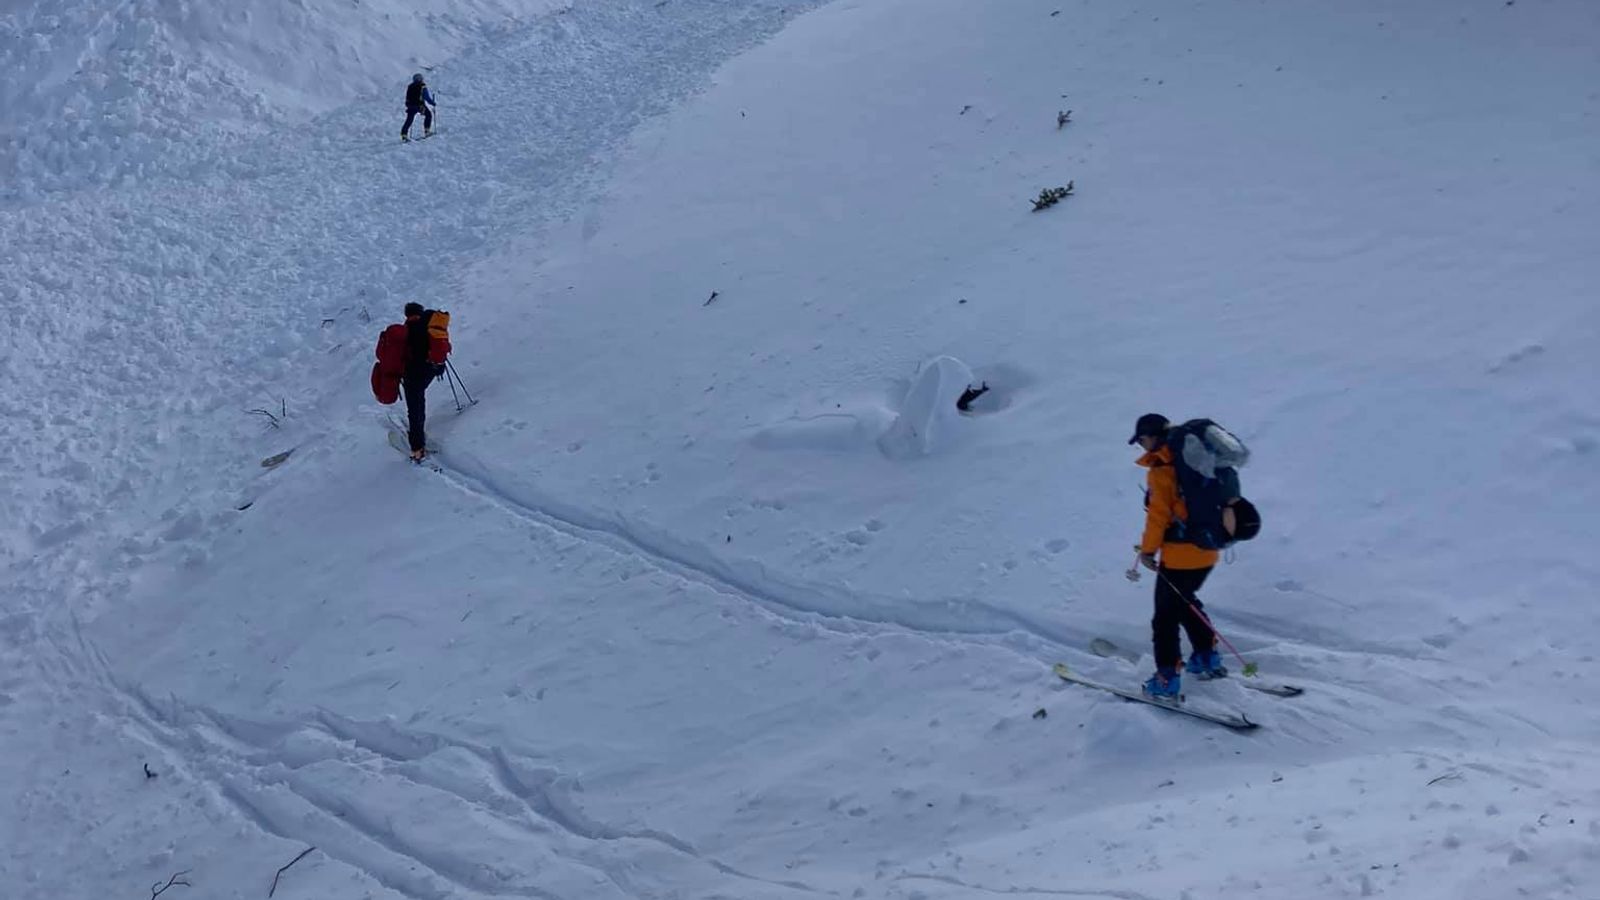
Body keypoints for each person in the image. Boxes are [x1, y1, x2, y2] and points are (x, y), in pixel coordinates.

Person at [1128, 413, 1227, 699]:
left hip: (1180, 555)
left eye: (1142, 439)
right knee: (1185, 603)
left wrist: (1147, 552)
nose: (1141, 446)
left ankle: (1166, 678)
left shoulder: (1162, 468)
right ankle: (1206, 657)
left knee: (1164, 619)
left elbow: (1158, 517)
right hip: (1208, 550)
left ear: (1153, 435)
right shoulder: (1197, 461)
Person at [401, 302, 449, 460]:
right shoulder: (428, 327)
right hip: (430, 372)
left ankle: (417, 449)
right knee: (418, 405)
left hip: (411, 377)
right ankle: (418, 434)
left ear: (407, 315)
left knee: (415, 410)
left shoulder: (404, 331)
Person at [401, 74, 436, 142]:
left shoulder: (410, 86)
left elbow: (408, 96)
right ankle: (427, 131)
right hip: (419, 106)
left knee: (409, 119)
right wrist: (433, 103)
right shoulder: (422, 86)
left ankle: (404, 134)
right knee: (428, 115)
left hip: (410, 105)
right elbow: (426, 97)